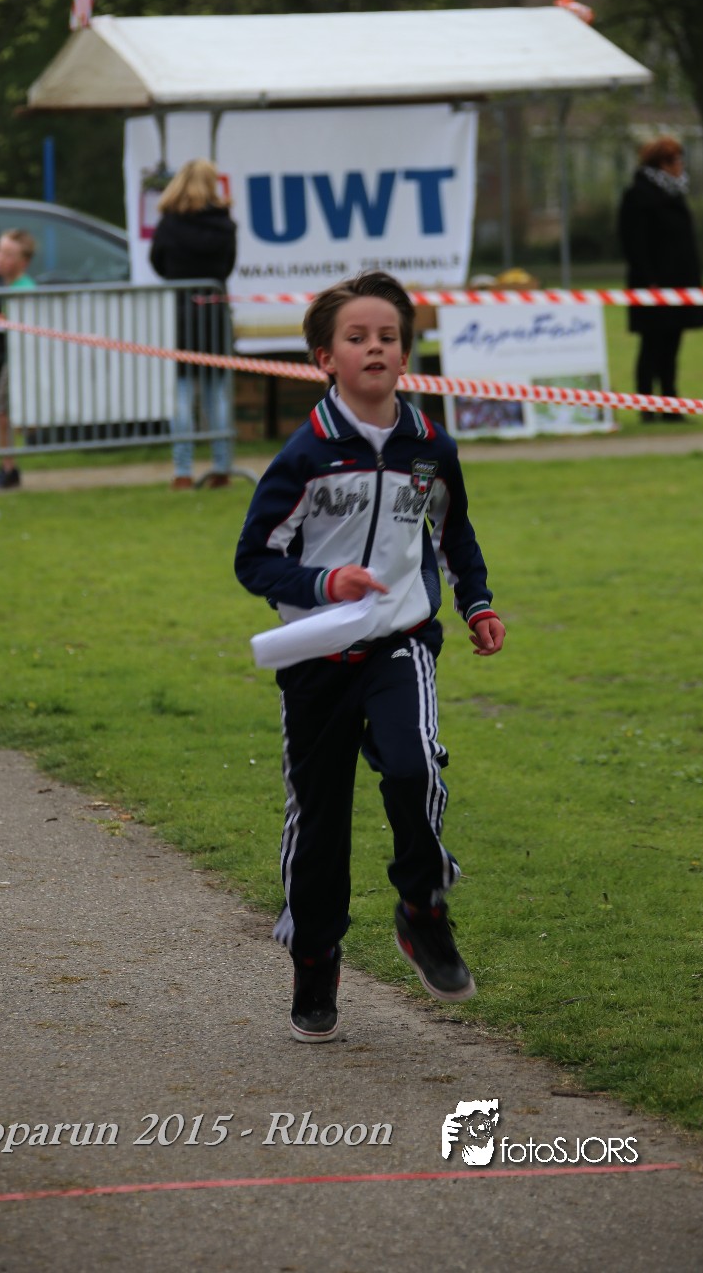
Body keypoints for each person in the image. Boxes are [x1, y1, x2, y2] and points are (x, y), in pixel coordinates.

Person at [235, 270, 505, 1043]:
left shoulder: (430, 446)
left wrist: (477, 602)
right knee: (320, 823)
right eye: (357, 338)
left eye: (388, 336)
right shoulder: (307, 454)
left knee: (415, 768)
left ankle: (422, 908)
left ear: (406, 353)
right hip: (317, 658)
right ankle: (315, 962)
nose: (375, 348)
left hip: (399, 642)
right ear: (325, 358)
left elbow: (453, 533)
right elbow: (255, 559)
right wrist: (325, 583)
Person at [149, 159, 237, 489]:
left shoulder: (169, 223)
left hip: (179, 313)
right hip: (213, 311)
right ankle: (222, 467)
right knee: (217, 394)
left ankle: (183, 471)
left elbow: (157, 263)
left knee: (182, 394)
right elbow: (226, 267)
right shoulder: (224, 224)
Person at [618, 135, 703, 421]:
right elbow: (634, 242)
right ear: (662, 164)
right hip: (653, 285)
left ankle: (670, 403)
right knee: (651, 345)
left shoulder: (674, 193)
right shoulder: (638, 196)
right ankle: (647, 404)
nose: (681, 165)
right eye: (676, 160)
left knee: (671, 345)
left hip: (679, 284)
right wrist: (649, 280)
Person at [0, 228, 37, 489]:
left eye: (8, 254)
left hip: (23, 359)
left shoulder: (24, 289)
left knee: (2, 412)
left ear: (23, 262)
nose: (0, 258)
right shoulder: (13, 287)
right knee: (5, 412)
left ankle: (8, 470)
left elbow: (25, 323)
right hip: (19, 357)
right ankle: (8, 466)